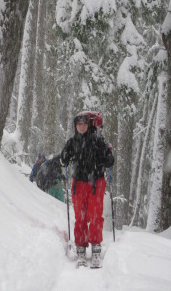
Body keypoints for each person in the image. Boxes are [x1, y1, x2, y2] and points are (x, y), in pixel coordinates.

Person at [60, 113, 114, 267]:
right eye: (79, 124)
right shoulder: (72, 141)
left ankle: (96, 245)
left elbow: (109, 158)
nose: (81, 126)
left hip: (96, 182)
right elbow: (64, 158)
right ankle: (81, 247)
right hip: (79, 184)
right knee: (80, 216)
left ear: (89, 125)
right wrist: (64, 157)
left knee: (95, 215)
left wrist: (108, 158)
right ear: (75, 126)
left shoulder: (97, 139)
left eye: (84, 123)